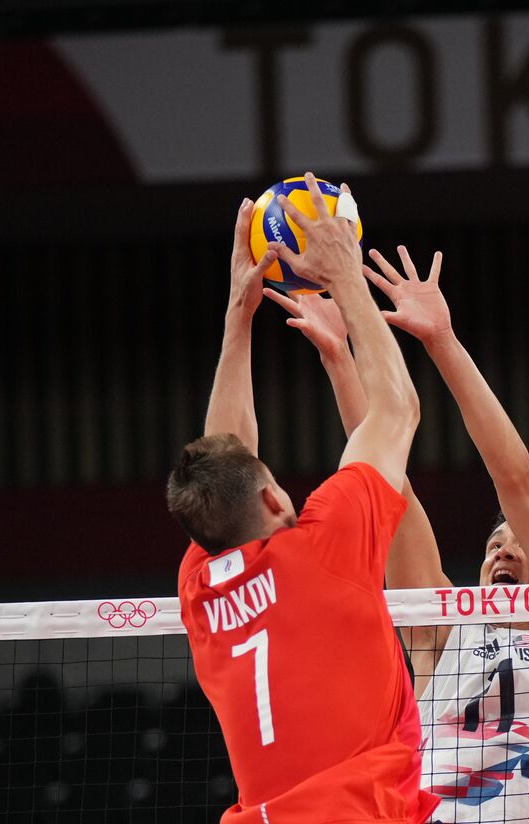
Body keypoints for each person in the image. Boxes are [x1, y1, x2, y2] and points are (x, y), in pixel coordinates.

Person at [270, 246, 529, 824]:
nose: (505, 550)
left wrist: (442, 341)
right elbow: (390, 491)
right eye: (493, 545)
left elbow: (519, 482)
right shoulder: (441, 637)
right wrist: (339, 359)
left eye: (520, 543)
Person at [167, 176, 439, 824]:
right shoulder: (324, 546)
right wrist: (345, 276)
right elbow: (398, 409)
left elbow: (226, 459)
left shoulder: (200, 587)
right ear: (272, 498)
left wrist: (238, 317)